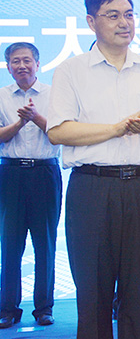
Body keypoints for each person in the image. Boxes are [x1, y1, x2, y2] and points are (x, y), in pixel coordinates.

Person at [47, 0, 140, 339]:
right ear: (91, 22)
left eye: (129, 15)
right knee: (93, 290)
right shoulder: (71, 70)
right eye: (113, 15)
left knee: (139, 288)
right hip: (92, 188)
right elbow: (58, 131)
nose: (124, 23)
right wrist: (115, 129)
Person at [0, 43, 61, 328]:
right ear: (8, 66)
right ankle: (7, 308)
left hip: (45, 172)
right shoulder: (1, 96)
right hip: (10, 174)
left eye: (27, 60)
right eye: (15, 61)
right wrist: (19, 123)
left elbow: (61, 134)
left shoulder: (54, 95)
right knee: (10, 244)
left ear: (38, 64)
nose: (21, 66)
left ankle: (44, 308)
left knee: (45, 243)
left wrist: (35, 118)